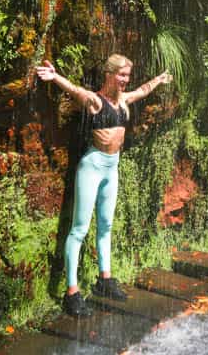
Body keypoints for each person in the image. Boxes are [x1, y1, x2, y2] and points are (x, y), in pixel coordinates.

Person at [36, 53, 173, 317]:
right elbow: (75, 90)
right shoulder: (96, 101)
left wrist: (158, 80)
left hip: (113, 168)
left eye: (127, 76)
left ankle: (104, 280)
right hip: (93, 166)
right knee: (79, 229)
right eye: (121, 75)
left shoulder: (123, 100)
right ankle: (72, 292)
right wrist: (54, 77)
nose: (125, 81)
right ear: (109, 74)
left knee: (106, 225)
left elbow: (141, 92)